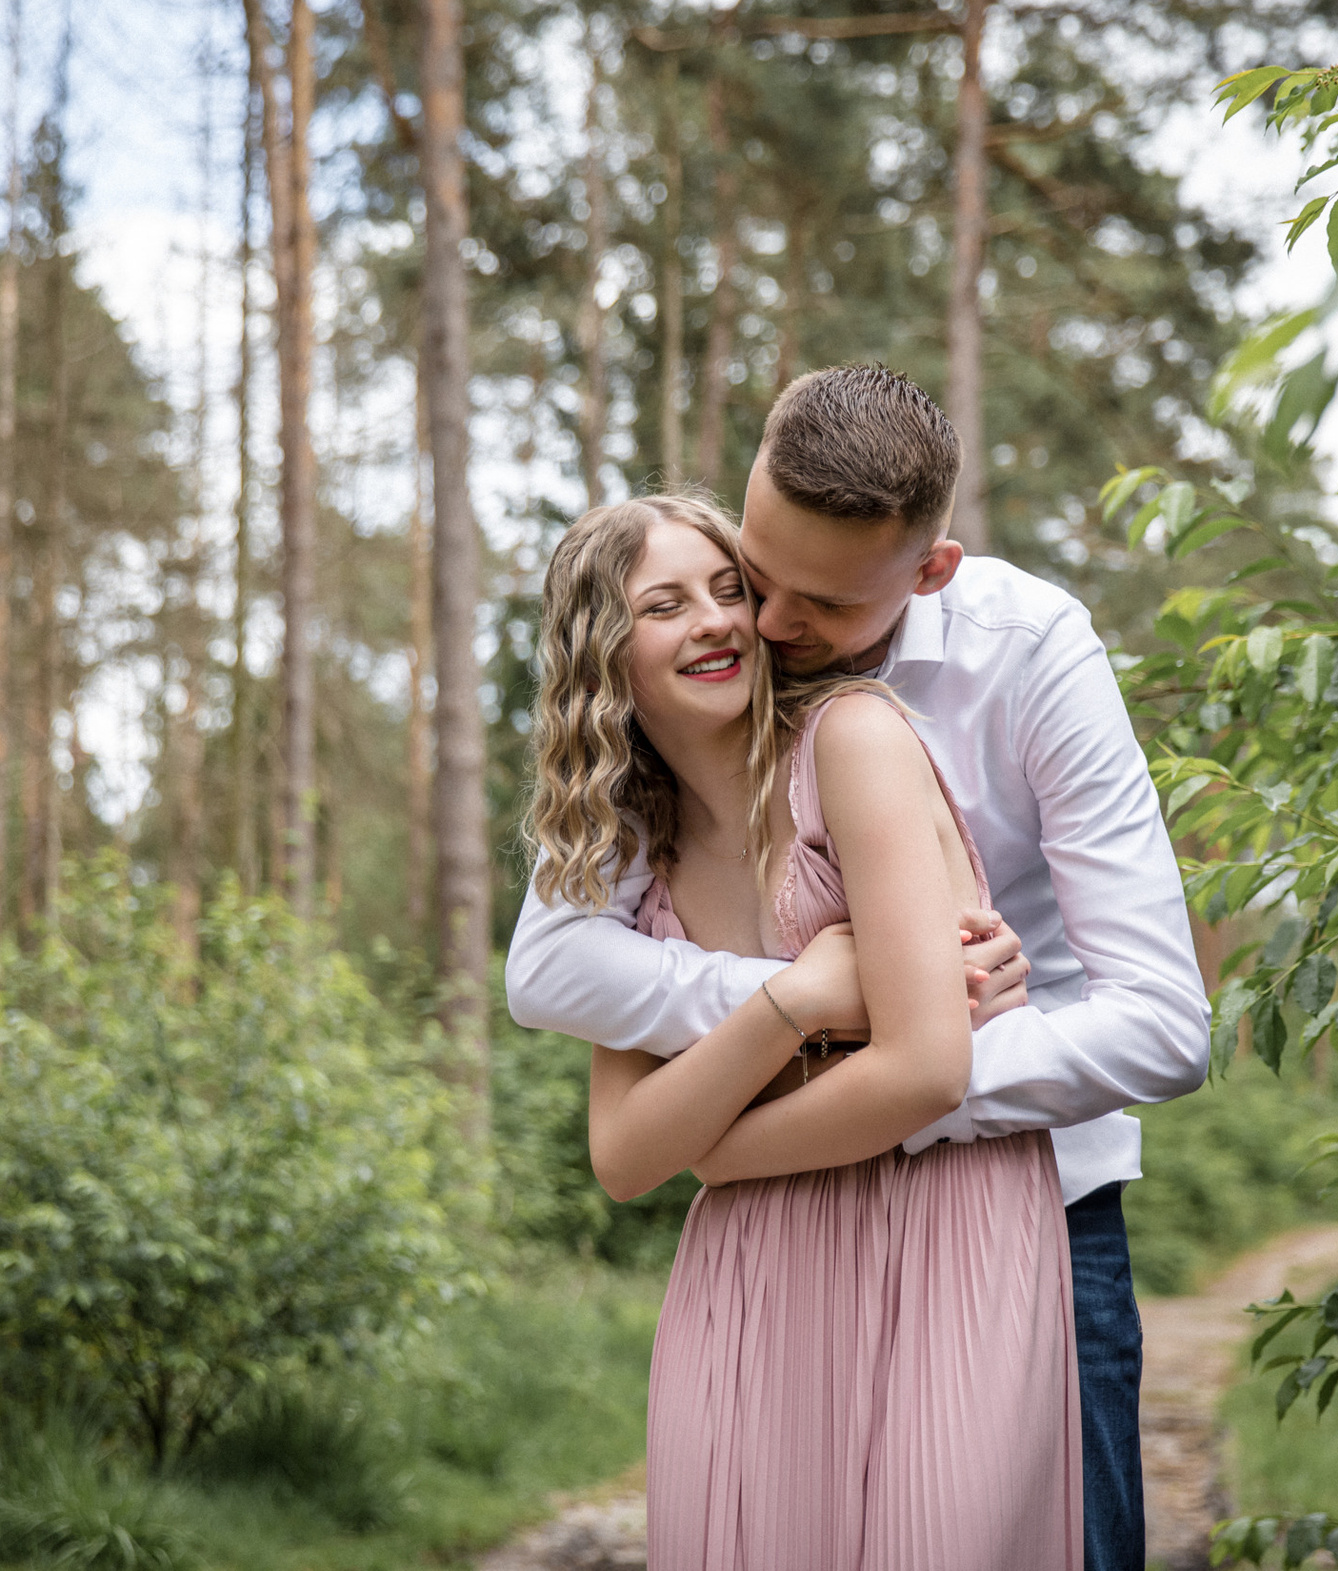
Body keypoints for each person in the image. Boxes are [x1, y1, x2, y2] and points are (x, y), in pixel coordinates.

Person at [508, 362, 1211, 1570]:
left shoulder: (1015, 653)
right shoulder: (686, 740)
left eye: (814, 606)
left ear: (927, 570)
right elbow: (551, 970)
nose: (766, 625)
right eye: (751, 573)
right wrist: (803, 1007)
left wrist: (905, 1049)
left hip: (1020, 1197)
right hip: (775, 1238)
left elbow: (1159, 1025)